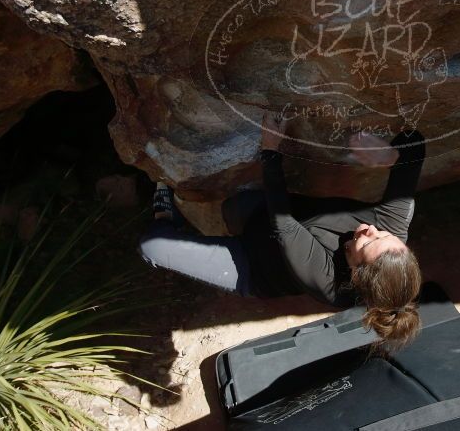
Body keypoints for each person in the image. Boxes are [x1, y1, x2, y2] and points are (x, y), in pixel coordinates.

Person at [138, 113, 426, 352]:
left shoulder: (329, 284)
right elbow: (415, 143)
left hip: (252, 265)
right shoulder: (394, 227)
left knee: (152, 246)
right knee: (233, 206)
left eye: (366, 242)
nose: (371, 229)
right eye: (384, 236)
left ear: (354, 272)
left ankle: (164, 218)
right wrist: (391, 157)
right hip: (262, 218)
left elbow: (284, 223)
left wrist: (271, 150)